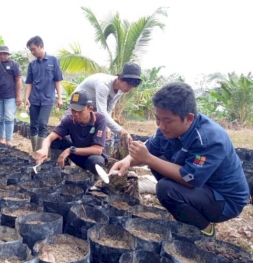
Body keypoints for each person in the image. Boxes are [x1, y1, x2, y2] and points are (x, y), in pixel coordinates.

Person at [110, 82, 250, 238]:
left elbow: (190, 180)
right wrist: (128, 161)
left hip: (225, 200)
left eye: (167, 121)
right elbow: (149, 148)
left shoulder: (209, 139)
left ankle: (204, 229)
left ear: (189, 118)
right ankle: (185, 209)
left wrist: (148, 159)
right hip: (204, 187)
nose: (161, 126)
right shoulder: (167, 129)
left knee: (165, 188)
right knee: (158, 163)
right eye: (158, 119)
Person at [66, 62, 142, 151]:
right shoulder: (103, 85)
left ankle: (101, 158)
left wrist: (107, 127)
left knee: (103, 134)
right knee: (69, 132)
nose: (129, 89)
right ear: (120, 78)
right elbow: (102, 112)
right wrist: (122, 131)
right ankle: (63, 158)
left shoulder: (121, 90)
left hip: (92, 108)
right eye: (128, 85)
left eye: (132, 87)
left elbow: (108, 109)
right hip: (77, 105)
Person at [35, 90, 108, 174]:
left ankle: (94, 180)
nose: (76, 114)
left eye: (80, 111)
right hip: (77, 155)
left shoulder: (100, 119)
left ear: (90, 109)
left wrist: (70, 150)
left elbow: (97, 150)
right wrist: (44, 148)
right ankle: (59, 169)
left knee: (96, 161)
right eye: (73, 110)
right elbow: (50, 137)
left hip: (91, 158)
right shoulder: (69, 120)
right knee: (55, 140)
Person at [25, 36, 63, 152]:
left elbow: (57, 81)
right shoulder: (32, 65)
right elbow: (29, 83)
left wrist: (60, 98)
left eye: (33, 49)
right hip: (34, 99)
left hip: (47, 99)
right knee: (33, 125)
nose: (32, 52)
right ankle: (34, 151)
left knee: (42, 124)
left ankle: (39, 151)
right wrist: (26, 98)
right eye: (30, 50)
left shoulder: (53, 61)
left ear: (40, 46)